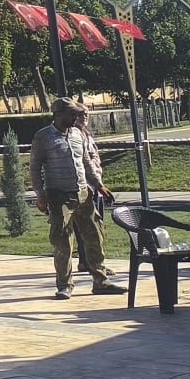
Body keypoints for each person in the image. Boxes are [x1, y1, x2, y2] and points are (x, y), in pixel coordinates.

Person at [30, 99, 126, 300]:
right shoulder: (43, 137)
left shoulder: (77, 134)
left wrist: (98, 185)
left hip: (84, 194)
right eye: (71, 114)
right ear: (58, 114)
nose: (76, 118)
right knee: (63, 241)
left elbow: (86, 163)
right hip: (59, 196)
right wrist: (40, 194)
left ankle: (100, 281)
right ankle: (64, 285)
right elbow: (35, 168)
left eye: (76, 114)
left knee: (95, 236)